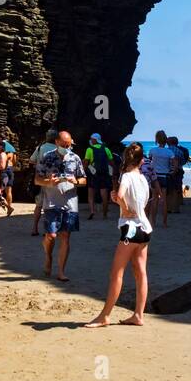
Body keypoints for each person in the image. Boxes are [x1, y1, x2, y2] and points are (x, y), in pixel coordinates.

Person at [85, 143, 151, 327]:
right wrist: (124, 203)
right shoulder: (143, 179)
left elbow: (121, 196)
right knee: (141, 273)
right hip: (145, 228)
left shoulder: (127, 177)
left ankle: (104, 316)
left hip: (131, 228)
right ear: (141, 161)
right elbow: (144, 202)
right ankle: (138, 315)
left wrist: (124, 207)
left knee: (117, 273)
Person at [35, 130, 86, 281]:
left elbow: (84, 179)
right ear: (56, 142)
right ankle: (48, 257)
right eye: (64, 144)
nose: (67, 147)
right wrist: (48, 182)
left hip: (70, 204)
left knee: (65, 237)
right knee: (51, 235)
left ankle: (61, 271)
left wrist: (75, 181)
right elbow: (37, 179)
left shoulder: (75, 158)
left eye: (69, 144)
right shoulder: (47, 157)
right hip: (51, 202)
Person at [29, 129, 58, 236]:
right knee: (50, 206)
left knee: (39, 205)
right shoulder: (58, 149)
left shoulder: (40, 148)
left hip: (41, 179)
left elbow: (31, 160)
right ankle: (48, 230)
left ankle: (34, 228)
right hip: (54, 180)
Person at [147, 130, 175, 223]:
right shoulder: (169, 152)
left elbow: (149, 161)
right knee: (164, 200)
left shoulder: (152, 150)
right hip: (164, 176)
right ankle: (164, 222)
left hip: (155, 177)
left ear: (157, 140)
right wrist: (172, 171)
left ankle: (153, 221)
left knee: (154, 199)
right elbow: (174, 164)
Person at [84, 133, 114, 219]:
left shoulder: (89, 149)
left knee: (91, 193)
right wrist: (114, 171)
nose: (90, 140)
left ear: (95, 140)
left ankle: (92, 211)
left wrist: (83, 172)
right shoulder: (106, 149)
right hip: (104, 173)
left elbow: (86, 162)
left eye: (91, 138)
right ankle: (104, 214)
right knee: (104, 194)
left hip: (93, 174)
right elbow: (111, 162)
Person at [164, 135, 188, 220]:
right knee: (177, 189)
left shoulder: (166, 151)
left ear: (169, 142)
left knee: (168, 190)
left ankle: (169, 208)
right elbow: (183, 161)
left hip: (168, 171)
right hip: (178, 171)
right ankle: (176, 208)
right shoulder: (179, 151)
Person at [0, 138, 16, 212]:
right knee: (9, 191)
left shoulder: (4, 154)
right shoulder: (12, 153)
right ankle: (9, 207)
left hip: (5, 170)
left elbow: (3, 164)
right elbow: (14, 162)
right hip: (11, 169)